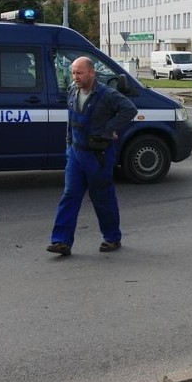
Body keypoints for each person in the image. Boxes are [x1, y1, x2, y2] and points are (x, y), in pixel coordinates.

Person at [47, 57, 137, 256]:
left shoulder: (107, 95)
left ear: (91, 73)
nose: (75, 77)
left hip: (98, 156)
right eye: (73, 73)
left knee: (102, 198)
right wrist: (68, 146)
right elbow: (70, 121)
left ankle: (112, 238)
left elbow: (130, 109)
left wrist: (109, 128)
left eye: (79, 73)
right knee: (70, 196)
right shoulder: (72, 91)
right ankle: (61, 241)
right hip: (76, 154)